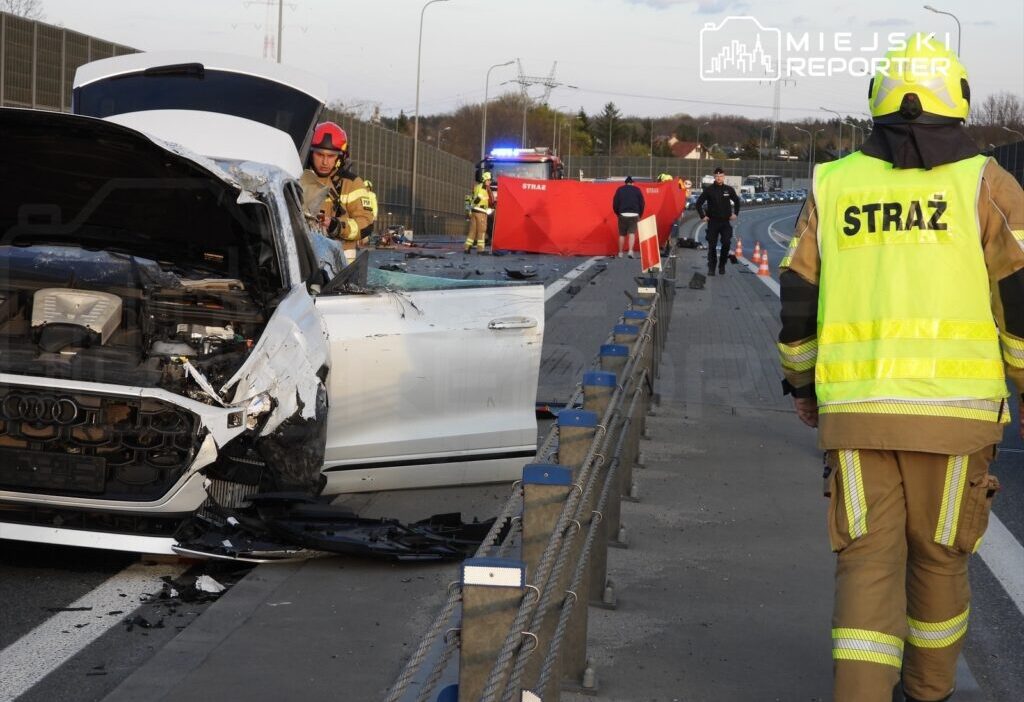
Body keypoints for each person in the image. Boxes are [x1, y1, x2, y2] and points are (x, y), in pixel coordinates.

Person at [777, 34, 1024, 702]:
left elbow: (799, 293)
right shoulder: (986, 183)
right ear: (959, 102)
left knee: (864, 564)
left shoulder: (834, 183)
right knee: (940, 560)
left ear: (878, 102)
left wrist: (802, 385)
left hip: (855, 415)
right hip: (955, 416)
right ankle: (928, 691)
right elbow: (1020, 300)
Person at [299, 121, 375, 263]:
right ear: (310, 153)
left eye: (331, 156)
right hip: (305, 258)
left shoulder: (352, 184)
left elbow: (366, 224)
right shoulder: (298, 178)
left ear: (340, 158)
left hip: (341, 267)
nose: (325, 162)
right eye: (319, 155)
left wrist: (337, 226)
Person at [695, 167, 740, 276]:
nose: (719, 178)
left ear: (724, 177)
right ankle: (712, 267)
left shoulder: (729, 189)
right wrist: (703, 216)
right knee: (712, 246)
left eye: (721, 176)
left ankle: (722, 265)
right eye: (717, 176)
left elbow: (737, 201)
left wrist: (735, 213)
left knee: (726, 243)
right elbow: (698, 203)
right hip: (713, 222)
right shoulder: (709, 190)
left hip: (725, 222)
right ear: (714, 177)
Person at [612, 175, 645, 258]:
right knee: (632, 233)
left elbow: (615, 203)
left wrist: (618, 213)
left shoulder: (620, 190)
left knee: (622, 234)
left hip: (622, 214)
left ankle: (620, 252)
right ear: (632, 183)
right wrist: (640, 214)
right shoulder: (637, 190)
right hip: (634, 214)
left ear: (625, 183)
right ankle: (630, 251)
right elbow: (642, 203)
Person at [464, 171, 493, 254]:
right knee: (482, 230)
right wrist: (474, 205)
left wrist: (469, 209)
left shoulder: (476, 187)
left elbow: (470, 197)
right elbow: (478, 199)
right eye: (489, 180)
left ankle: (467, 248)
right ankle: (480, 250)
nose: (490, 182)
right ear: (485, 180)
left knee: (472, 231)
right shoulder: (484, 188)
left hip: (474, 212)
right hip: (481, 212)